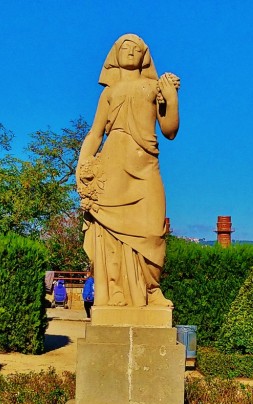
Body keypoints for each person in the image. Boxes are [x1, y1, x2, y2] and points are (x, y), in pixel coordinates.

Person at [77, 34, 179, 308]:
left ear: (145, 55)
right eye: (125, 46)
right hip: (113, 167)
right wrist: (82, 165)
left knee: (154, 230)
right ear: (115, 56)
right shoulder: (109, 92)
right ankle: (115, 288)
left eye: (137, 47)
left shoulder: (154, 86)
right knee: (111, 230)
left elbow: (170, 130)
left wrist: (171, 97)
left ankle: (151, 289)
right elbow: (96, 133)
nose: (131, 50)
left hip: (146, 165)